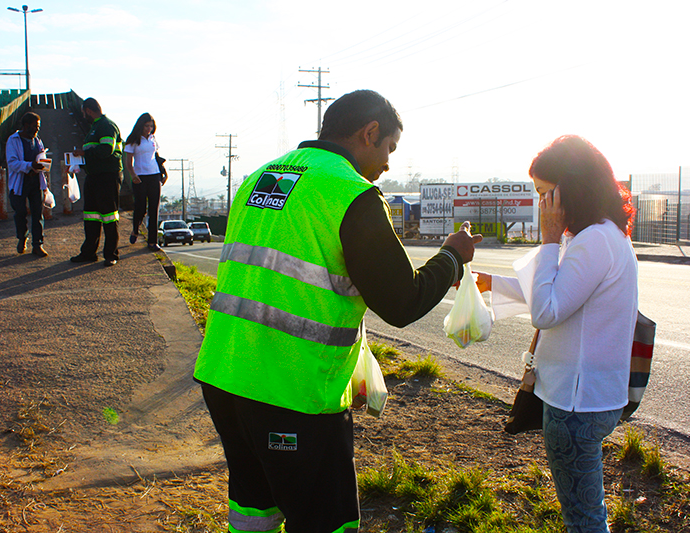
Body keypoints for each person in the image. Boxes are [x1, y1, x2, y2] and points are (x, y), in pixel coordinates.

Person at [193, 89, 482, 533]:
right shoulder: (352, 195)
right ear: (369, 133)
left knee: (254, 508)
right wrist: (452, 256)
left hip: (224, 377)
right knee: (326, 521)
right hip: (292, 394)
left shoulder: (259, 178)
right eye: (389, 148)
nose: (387, 163)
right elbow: (402, 302)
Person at [475, 135, 638, 533]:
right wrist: (487, 284)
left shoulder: (594, 240)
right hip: (590, 398)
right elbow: (559, 295)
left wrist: (548, 239)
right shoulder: (601, 235)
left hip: (575, 404)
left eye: (545, 194)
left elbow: (547, 311)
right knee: (585, 511)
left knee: (583, 517)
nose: (540, 205)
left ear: (572, 188)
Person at [70, 97, 124, 267]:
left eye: (84, 112)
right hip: (94, 176)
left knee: (108, 216)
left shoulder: (106, 126)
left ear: (88, 110)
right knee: (91, 216)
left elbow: (106, 150)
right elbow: (95, 152)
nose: (83, 115)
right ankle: (89, 253)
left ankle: (111, 254)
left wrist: (84, 154)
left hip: (107, 177)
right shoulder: (94, 128)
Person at [6, 111, 48, 257]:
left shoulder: (37, 141)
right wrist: (30, 165)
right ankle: (22, 237)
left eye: (38, 126)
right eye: (35, 126)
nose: (37, 129)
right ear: (26, 125)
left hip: (36, 181)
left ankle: (37, 245)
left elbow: (41, 156)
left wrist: (43, 164)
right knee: (20, 212)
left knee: (38, 213)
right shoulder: (13, 140)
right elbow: (12, 163)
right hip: (20, 182)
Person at [124, 113, 167, 251]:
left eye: (151, 126)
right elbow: (128, 162)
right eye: (146, 126)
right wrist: (132, 175)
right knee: (140, 207)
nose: (149, 129)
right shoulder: (133, 140)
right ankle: (135, 230)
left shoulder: (152, 139)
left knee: (154, 208)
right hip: (140, 176)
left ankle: (152, 241)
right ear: (140, 125)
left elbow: (156, 156)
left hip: (154, 175)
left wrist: (163, 172)